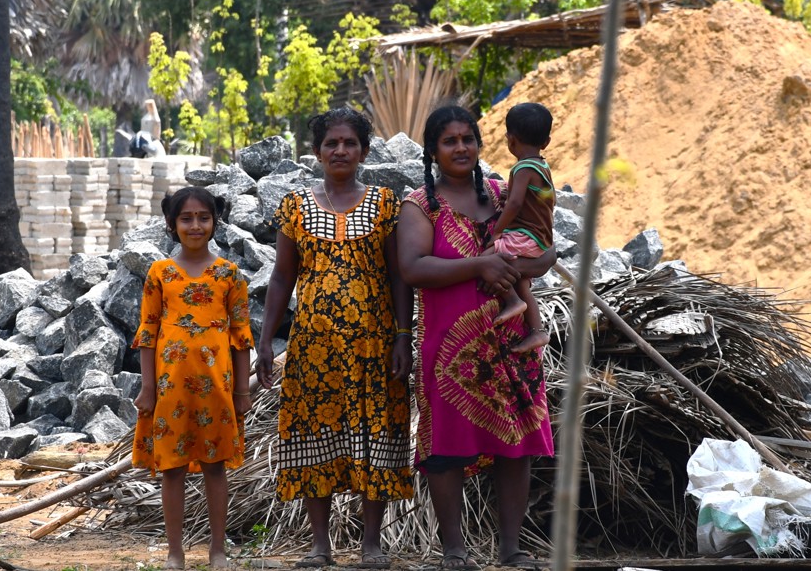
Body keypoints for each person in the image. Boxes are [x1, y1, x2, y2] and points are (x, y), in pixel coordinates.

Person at [397, 104, 555, 571]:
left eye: (468, 138)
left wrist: (512, 267)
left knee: (517, 444)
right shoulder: (419, 205)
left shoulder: (505, 193)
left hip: (511, 343)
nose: (461, 147)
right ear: (432, 151)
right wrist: (477, 265)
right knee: (446, 447)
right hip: (450, 353)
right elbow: (413, 268)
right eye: (450, 141)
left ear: (482, 144)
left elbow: (545, 253)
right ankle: (455, 551)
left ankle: (512, 549)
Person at [256, 108, 414, 569]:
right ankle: (320, 545)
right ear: (316, 152)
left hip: (375, 344)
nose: (340, 151)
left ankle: (371, 544)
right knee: (312, 435)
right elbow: (282, 278)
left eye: (349, 143)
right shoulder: (296, 206)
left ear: (364, 151)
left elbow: (399, 277)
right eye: (331, 143)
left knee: (376, 434)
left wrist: (403, 336)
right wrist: (267, 340)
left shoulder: (385, 203)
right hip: (313, 346)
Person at [131, 186, 253, 570]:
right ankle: (175, 553)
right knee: (172, 468)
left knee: (216, 466)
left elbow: (241, 336)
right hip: (170, 389)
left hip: (217, 388)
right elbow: (148, 332)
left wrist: (242, 390)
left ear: (215, 223)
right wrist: (148, 388)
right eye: (186, 218)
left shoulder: (230, 275)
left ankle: (218, 550)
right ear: (172, 224)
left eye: (204, 218)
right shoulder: (160, 274)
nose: (196, 225)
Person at [484, 102, 556, 352]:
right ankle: (537, 332)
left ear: (510, 140)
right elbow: (531, 199)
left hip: (527, 236)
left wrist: (497, 231)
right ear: (546, 142)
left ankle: (512, 301)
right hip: (541, 239)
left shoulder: (523, 167)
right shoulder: (542, 165)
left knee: (486, 259)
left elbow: (514, 204)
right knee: (522, 281)